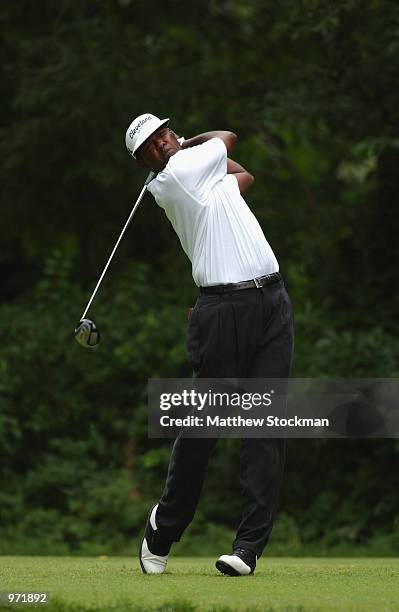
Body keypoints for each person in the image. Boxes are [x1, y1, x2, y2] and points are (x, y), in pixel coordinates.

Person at [125, 113, 294, 576]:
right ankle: (163, 528)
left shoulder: (204, 178)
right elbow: (227, 137)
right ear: (146, 164)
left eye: (163, 134)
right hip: (223, 311)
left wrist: (196, 151)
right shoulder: (175, 177)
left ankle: (248, 548)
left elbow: (243, 175)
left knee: (265, 426)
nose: (162, 145)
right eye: (151, 148)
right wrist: (189, 141)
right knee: (206, 424)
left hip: (271, 301)